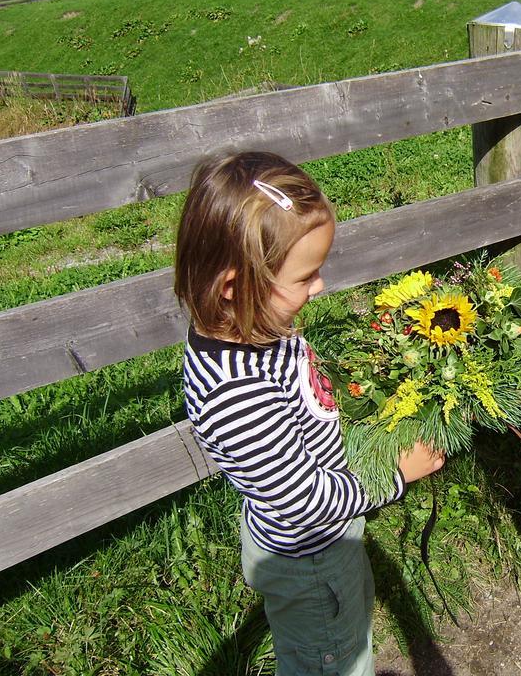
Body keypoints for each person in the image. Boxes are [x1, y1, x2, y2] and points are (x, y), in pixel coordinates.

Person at [174, 152, 444, 676]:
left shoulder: (258, 328)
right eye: (305, 276)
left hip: (326, 544)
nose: (319, 286)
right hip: (308, 558)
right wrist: (396, 476)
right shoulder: (235, 392)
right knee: (331, 663)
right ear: (234, 286)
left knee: (347, 645)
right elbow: (304, 501)